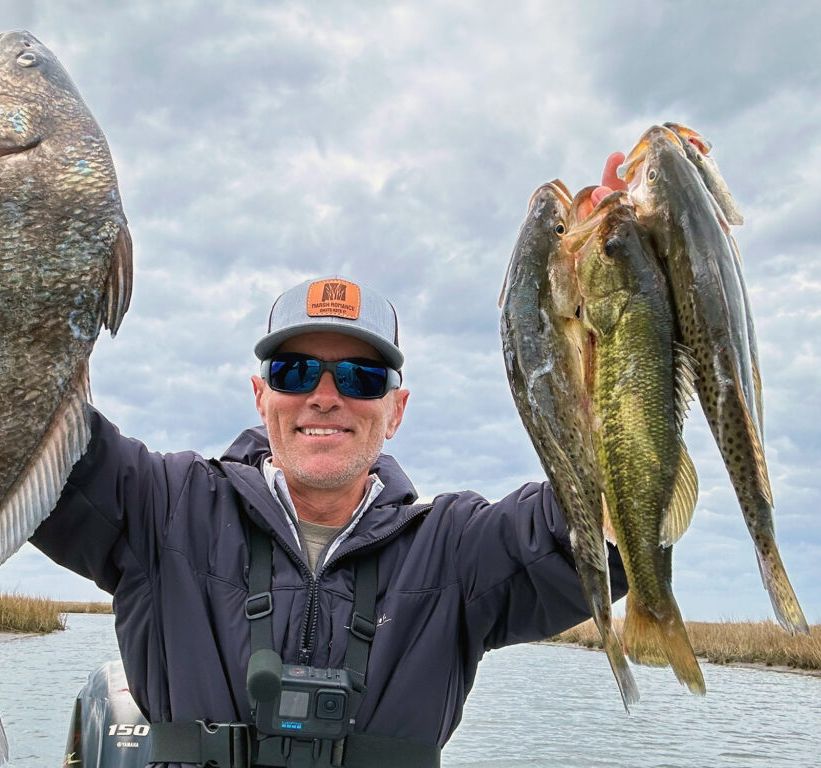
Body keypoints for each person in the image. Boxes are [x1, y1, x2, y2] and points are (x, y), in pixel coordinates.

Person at [31, 170, 629, 768]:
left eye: (360, 377)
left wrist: (630, 311)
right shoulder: (164, 508)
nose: (324, 395)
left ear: (395, 411)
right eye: (295, 371)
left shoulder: (455, 551)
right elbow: (26, 430)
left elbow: (589, 525)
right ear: (261, 395)